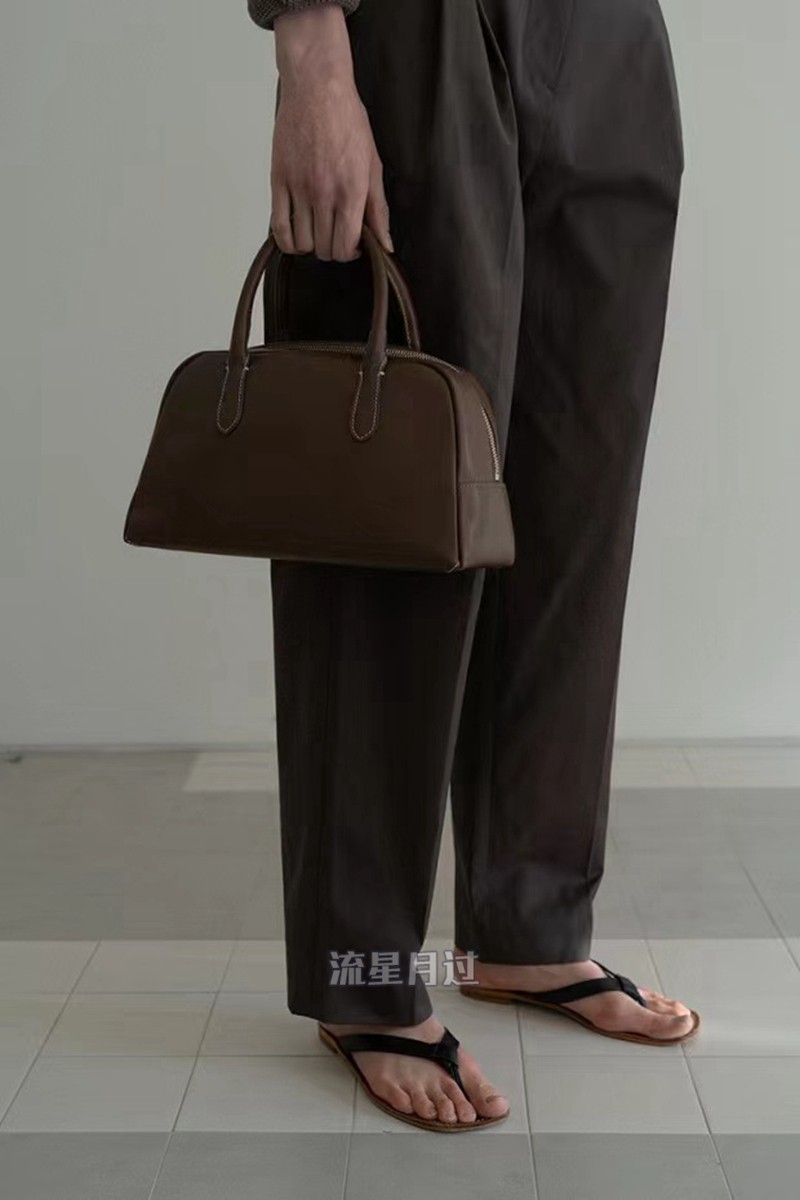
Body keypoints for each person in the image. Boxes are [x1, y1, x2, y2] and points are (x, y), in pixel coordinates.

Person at [248, 0, 699, 1133]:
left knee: (574, 487)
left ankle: (528, 928)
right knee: (391, 477)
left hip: (605, 33)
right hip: (410, 27)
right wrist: (311, 48)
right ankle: (359, 977)